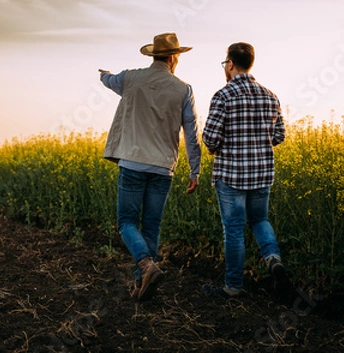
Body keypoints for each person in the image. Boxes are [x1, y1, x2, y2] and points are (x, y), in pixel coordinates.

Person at [99, 33, 201, 301]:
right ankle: (141, 283)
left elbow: (110, 81)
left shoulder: (131, 78)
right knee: (151, 226)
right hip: (162, 168)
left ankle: (145, 266)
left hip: (133, 163)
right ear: (171, 57)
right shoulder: (183, 89)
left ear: (154, 56)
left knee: (126, 222)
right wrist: (194, 170)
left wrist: (104, 75)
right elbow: (191, 133)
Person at [201, 42, 292, 299]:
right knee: (260, 220)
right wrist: (258, 142)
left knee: (233, 229)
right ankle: (273, 260)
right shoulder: (270, 95)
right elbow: (279, 135)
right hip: (261, 174)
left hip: (231, 176)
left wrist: (216, 146)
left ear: (230, 64)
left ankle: (233, 287)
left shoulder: (223, 96)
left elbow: (210, 139)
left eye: (225, 64)